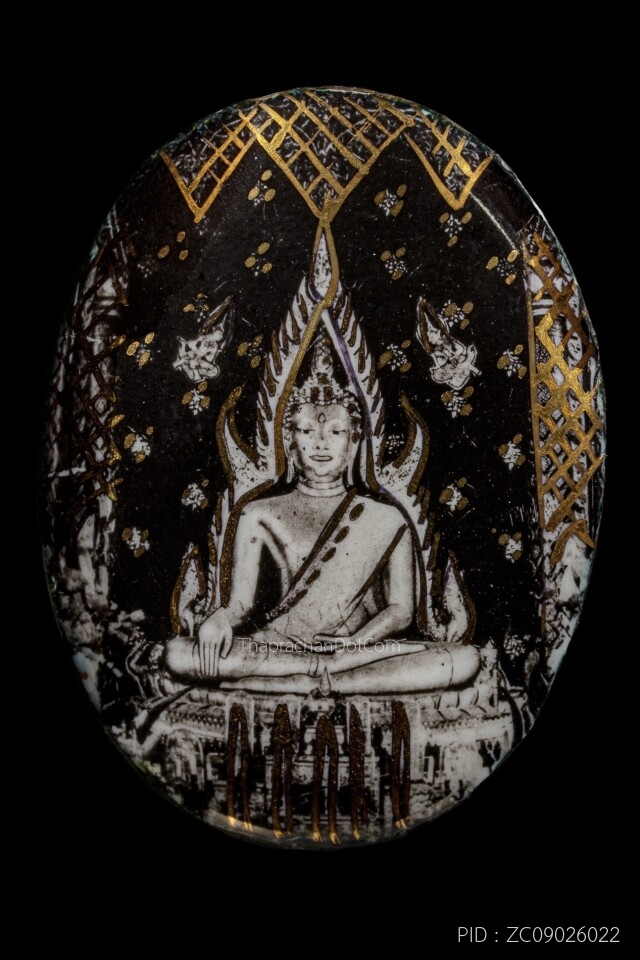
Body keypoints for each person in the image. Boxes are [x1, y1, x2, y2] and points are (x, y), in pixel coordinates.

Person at [165, 340, 479, 694]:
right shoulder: (258, 513)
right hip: (280, 647)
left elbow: (400, 609)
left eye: (335, 432)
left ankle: (310, 679)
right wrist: (220, 619)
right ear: (289, 442)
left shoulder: (388, 519)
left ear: (354, 442)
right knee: (178, 653)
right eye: (307, 431)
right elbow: (239, 604)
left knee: (461, 658)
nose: (320, 443)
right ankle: (324, 676)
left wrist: (354, 644)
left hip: (357, 651)